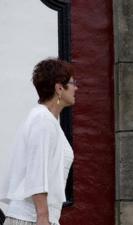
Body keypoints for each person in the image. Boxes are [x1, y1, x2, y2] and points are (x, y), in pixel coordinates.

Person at [0, 58, 78, 225]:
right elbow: (37, 170)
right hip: (31, 219)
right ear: (59, 88)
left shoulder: (47, 120)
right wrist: (42, 217)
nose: (76, 88)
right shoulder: (42, 120)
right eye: (72, 83)